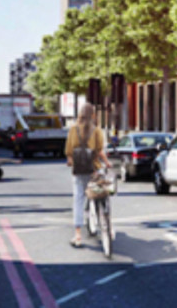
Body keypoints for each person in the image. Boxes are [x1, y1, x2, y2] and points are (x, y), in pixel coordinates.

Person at [65, 105, 107, 248]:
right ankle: (103, 220)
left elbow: (69, 152)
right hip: (93, 169)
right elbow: (100, 151)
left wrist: (70, 161)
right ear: (93, 115)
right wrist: (107, 163)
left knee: (78, 200)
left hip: (78, 170)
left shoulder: (72, 130)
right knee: (100, 193)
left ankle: (77, 236)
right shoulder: (96, 131)